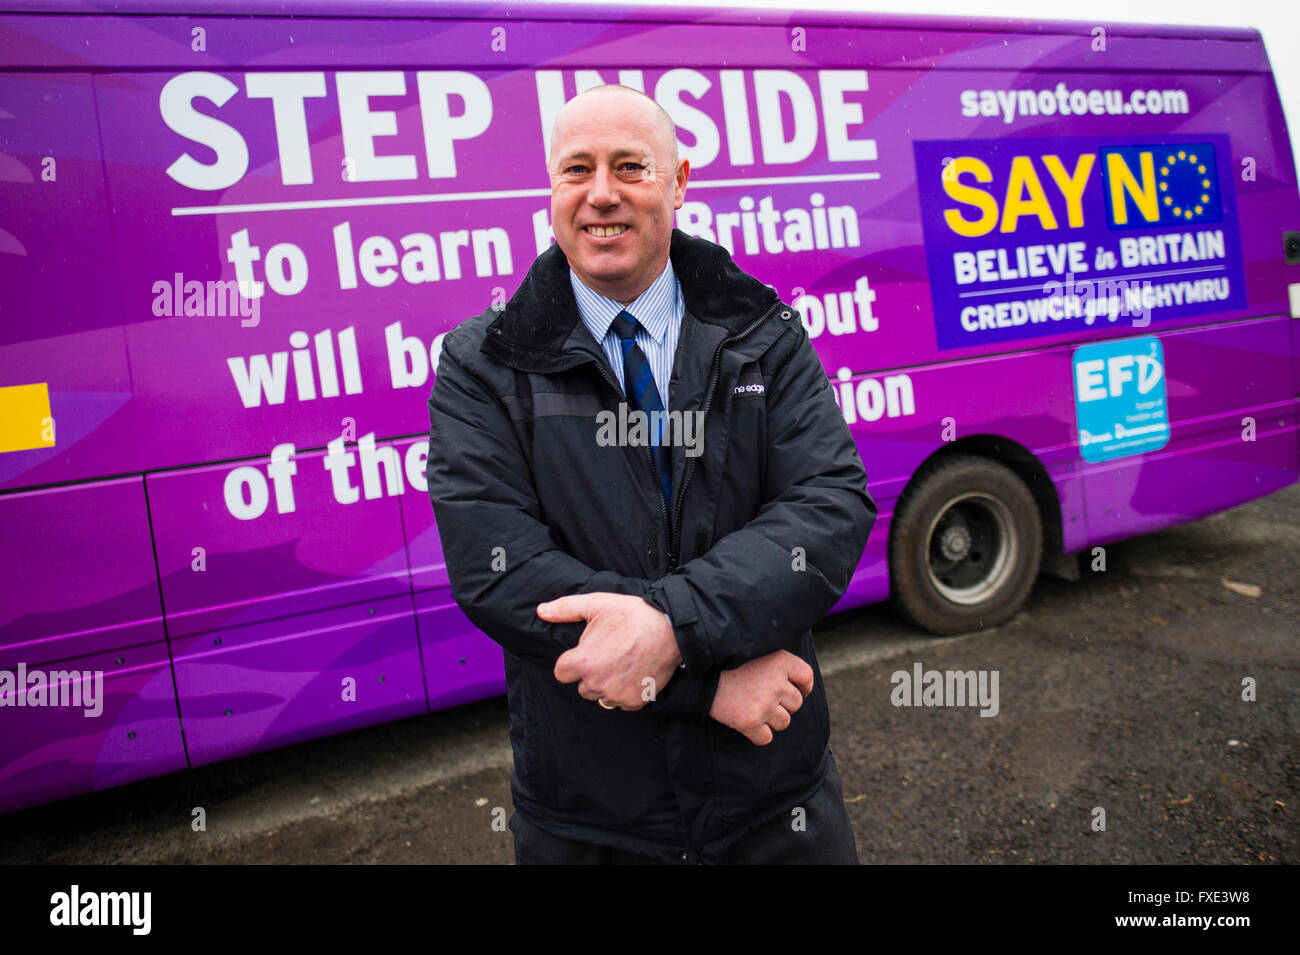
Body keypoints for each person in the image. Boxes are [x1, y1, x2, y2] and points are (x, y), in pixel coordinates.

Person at [426, 84, 876, 864]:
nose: (602, 194)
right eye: (577, 170)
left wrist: (672, 627)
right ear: (551, 191)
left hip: (776, 807)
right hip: (589, 826)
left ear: (678, 182)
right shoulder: (482, 364)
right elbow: (497, 570)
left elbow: (830, 506)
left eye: (630, 166)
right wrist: (706, 685)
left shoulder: (763, 331)